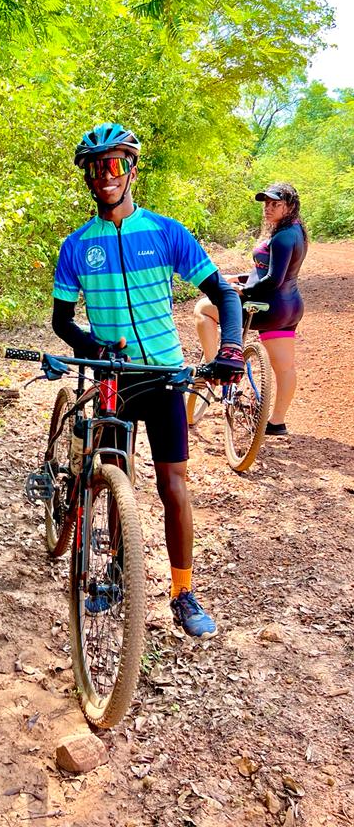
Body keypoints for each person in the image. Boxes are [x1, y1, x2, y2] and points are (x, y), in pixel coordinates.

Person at [52, 123, 244, 639]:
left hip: (163, 375)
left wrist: (230, 346)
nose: (106, 175)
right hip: (113, 378)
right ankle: (117, 571)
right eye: (97, 167)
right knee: (115, 478)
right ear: (88, 177)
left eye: (116, 164)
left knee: (172, 484)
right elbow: (62, 320)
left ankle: (183, 592)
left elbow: (224, 293)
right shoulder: (76, 246)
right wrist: (91, 346)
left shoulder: (164, 232)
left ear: (132, 170)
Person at [194, 182, 308, 437]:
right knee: (285, 367)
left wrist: (243, 292)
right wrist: (241, 278)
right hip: (288, 308)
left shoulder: (283, 237)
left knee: (203, 308)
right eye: (266, 204)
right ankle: (276, 422)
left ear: (290, 206)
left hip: (267, 306)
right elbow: (272, 270)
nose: (268, 208)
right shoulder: (294, 230)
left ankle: (214, 366)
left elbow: (273, 280)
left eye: (275, 204)